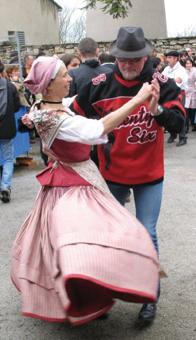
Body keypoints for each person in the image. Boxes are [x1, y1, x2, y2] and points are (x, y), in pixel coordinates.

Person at [11, 55, 159, 326]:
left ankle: (92, 291)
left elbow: (69, 107)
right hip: (74, 185)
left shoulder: (47, 106)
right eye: (64, 76)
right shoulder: (52, 117)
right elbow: (97, 129)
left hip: (68, 179)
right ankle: (94, 293)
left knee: (66, 244)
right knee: (96, 239)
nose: (70, 78)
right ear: (48, 84)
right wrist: (137, 100)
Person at [69, 26, 186, 323]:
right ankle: (101, 297)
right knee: (105, 237)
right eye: (123, 59)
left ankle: (149, 298)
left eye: (135, 59)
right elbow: (76, 122)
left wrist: (157, 110)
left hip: (149, 174)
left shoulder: (161, 82)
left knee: (146, 233)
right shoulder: (99, 83)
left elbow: (180, 125)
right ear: (115, 56)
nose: (128, 65)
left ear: (146, 57)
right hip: (111, 175)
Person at [0, 59, 21, 202]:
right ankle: (5, 186)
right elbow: (17, 106)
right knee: (8, 158)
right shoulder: (10, 86)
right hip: (6, 127)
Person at [162, 50, 188, 146]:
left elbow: (178, 80)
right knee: (167, 115)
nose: (167, 60)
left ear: (176, 58)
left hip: (179, 94)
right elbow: (161, 79)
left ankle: (183, 137)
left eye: (169, 58)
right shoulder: (166, 69)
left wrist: (166, 81)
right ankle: (173, 134)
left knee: (180, 115)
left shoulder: (181, 70)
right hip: (168, 94)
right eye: (167, 58)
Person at [184, 57, 196, 132]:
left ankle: (193, 124)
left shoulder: (195, 70)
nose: (188, 65)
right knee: (186, 107)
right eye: (187, 63)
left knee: (193, 108)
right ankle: (186, 126)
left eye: (190, 63)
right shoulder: (183, 71)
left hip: (193, 90)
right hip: (186, 90)